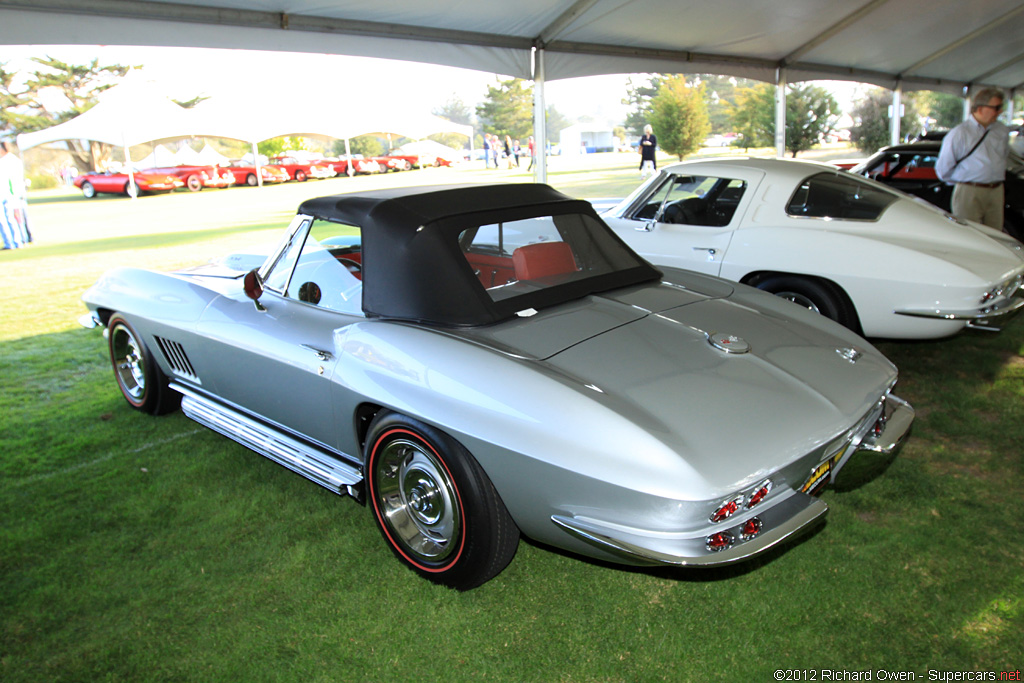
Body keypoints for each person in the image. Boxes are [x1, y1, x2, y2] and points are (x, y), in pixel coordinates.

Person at [936, 87, 1010, 230]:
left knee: (996, 235)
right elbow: (943, 169)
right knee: (969, 234)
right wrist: (965, 182)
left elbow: (1004, 156)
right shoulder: (960, 133)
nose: (1000, 111)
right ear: (980, 108)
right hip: (969, 191)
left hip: (996, 190)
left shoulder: (1001, 130)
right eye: (996, 107)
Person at [0, 140, 32, 249]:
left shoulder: (4, 161)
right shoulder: (15, 160)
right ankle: (21, 240)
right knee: (17, 217)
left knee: (9, 218)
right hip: (16, 192)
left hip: (9, 192)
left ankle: (13, 242)